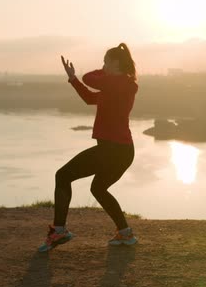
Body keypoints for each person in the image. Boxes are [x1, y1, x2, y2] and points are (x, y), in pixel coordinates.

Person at [38, 43, 139, 252]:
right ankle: (126, 233)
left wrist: (100, 72)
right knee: (98, 189)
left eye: (105, 62)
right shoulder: (113, 86)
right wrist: (72, 78)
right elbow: (89, 98)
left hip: (113, 150)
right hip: (120, 151)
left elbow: (90, 78)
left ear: (115, 63)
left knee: (63, 176)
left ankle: (59, 230)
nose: (102, 66)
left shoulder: (122, 84)